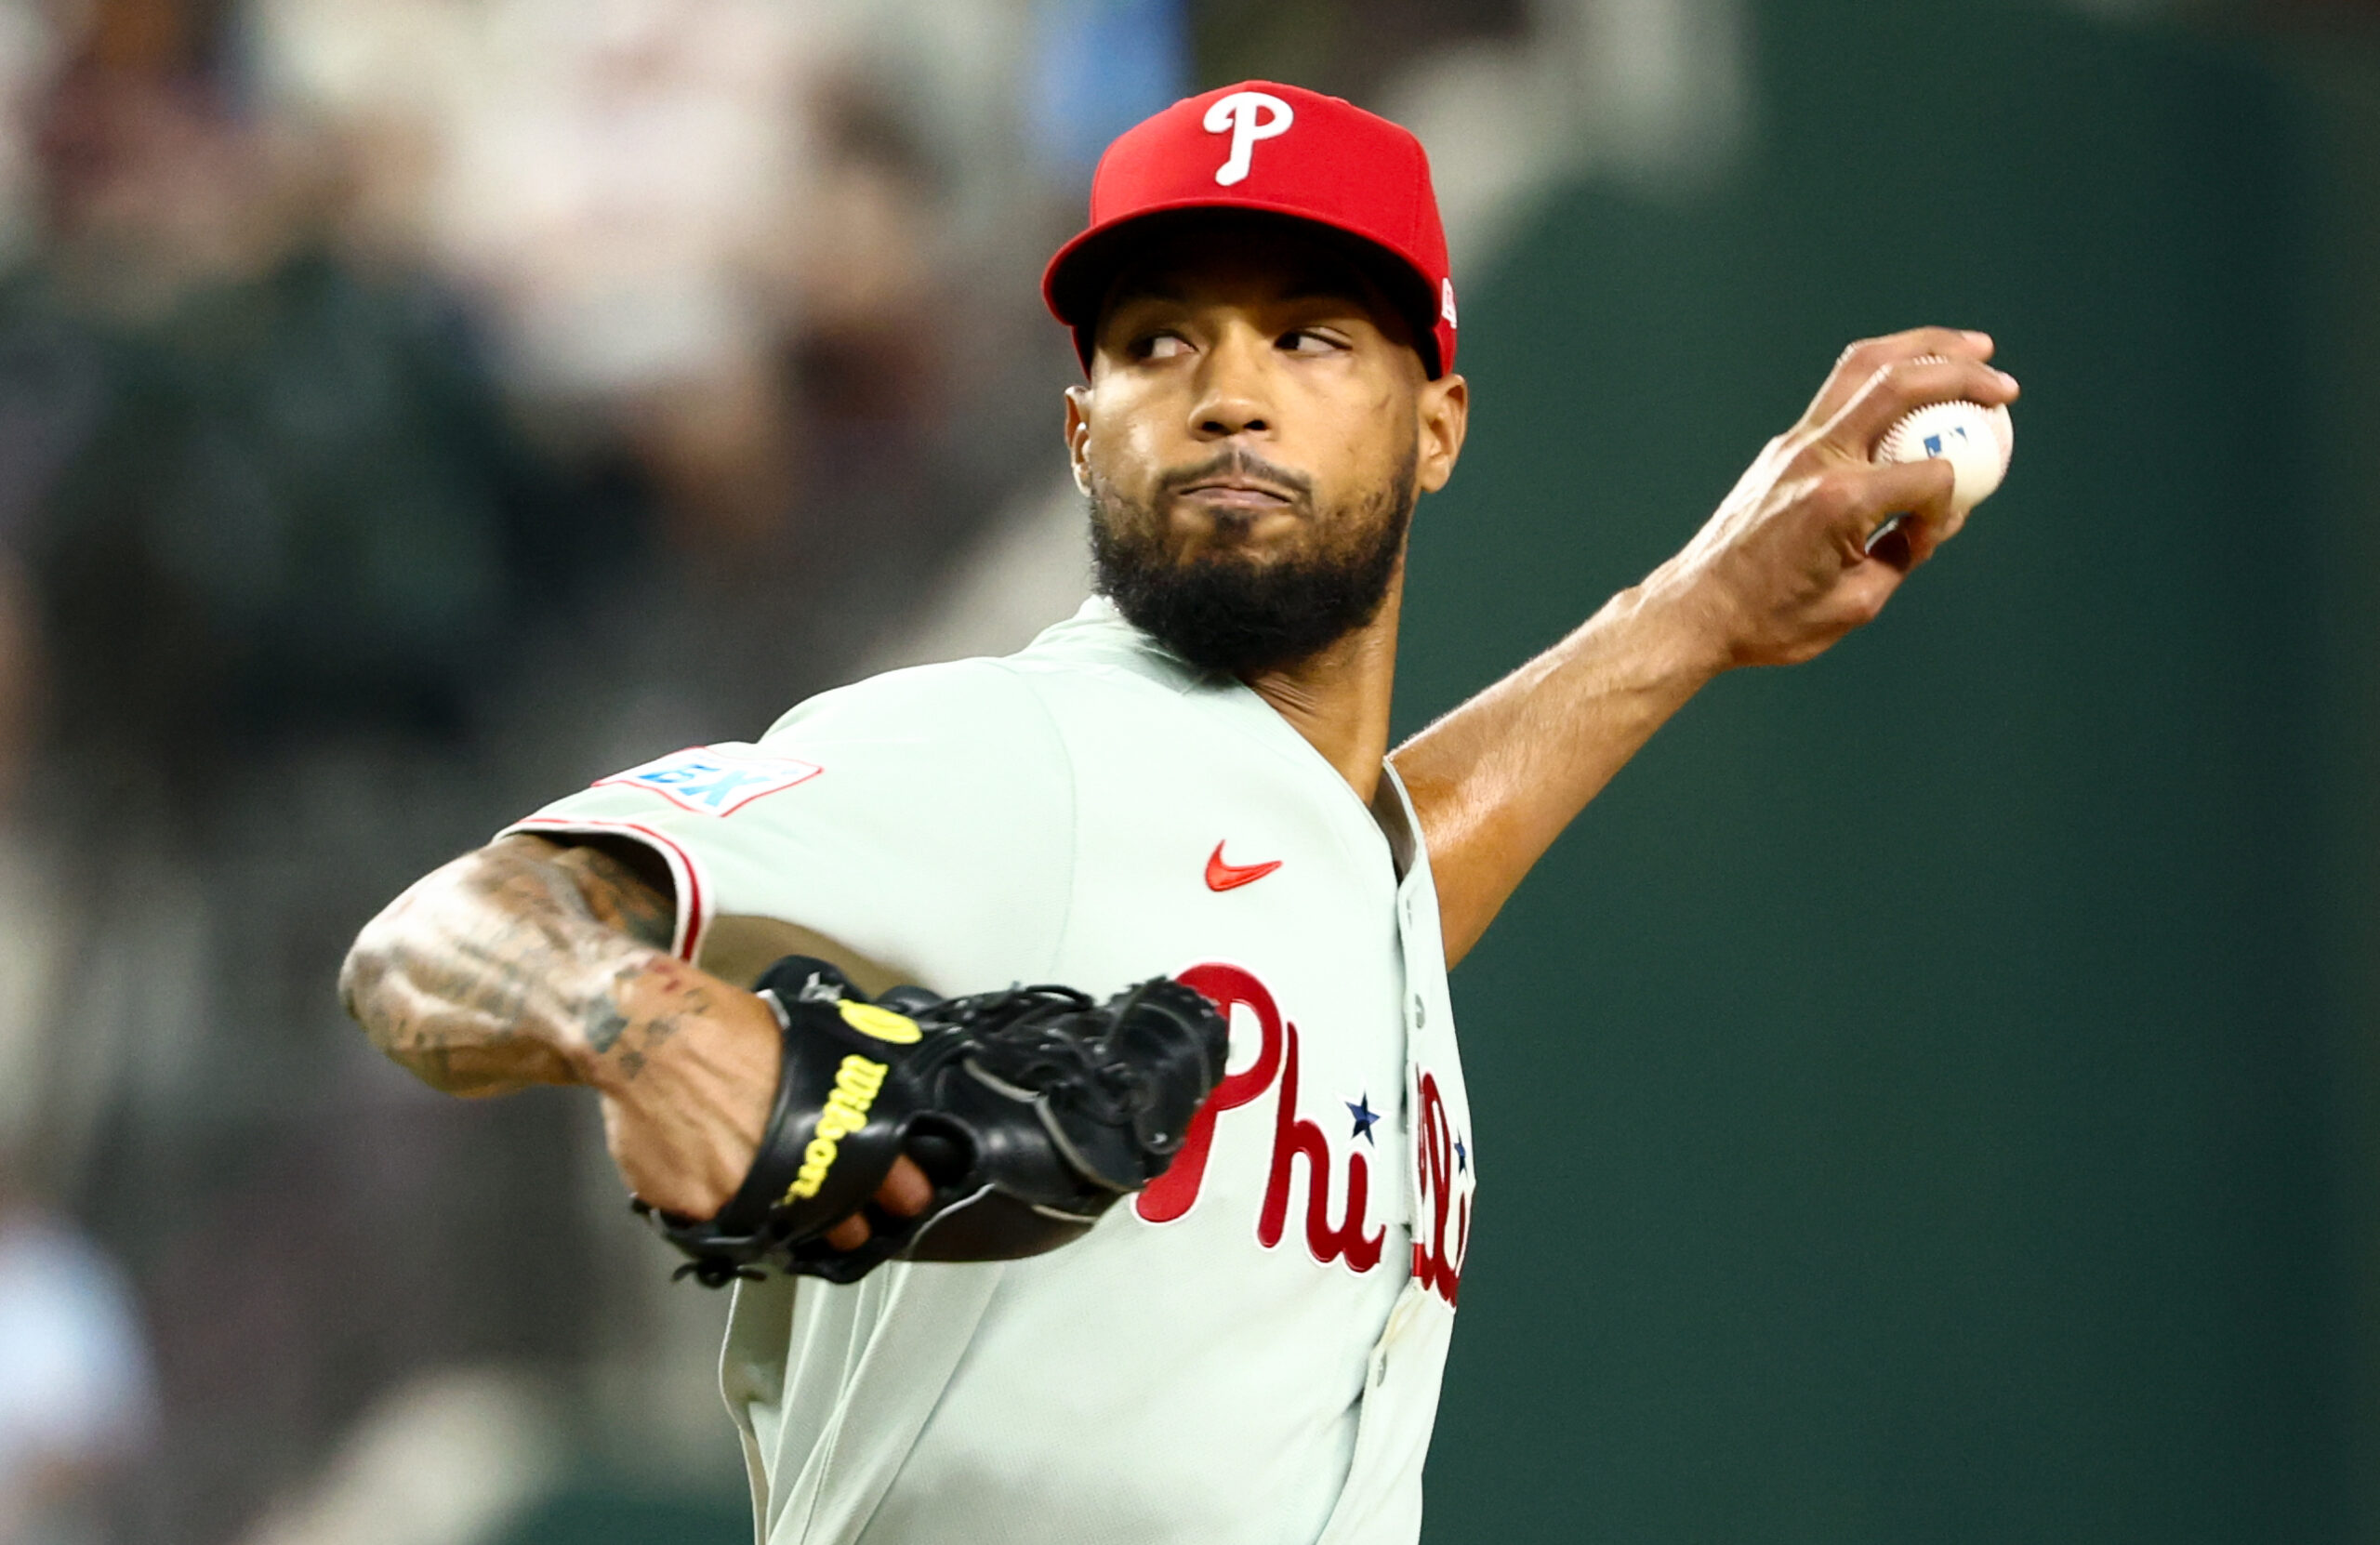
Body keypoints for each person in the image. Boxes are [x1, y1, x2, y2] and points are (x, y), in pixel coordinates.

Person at [340, 81, 2016, 1545]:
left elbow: (1373, 870)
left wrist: (1701, 607)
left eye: (1308, 333)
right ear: (1082, 434)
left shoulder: (1329, 862)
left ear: (1436, 424)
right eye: (1160, 341)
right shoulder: (1010, 749)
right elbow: (437, 934)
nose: (1229, 391)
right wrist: (640, 1018)